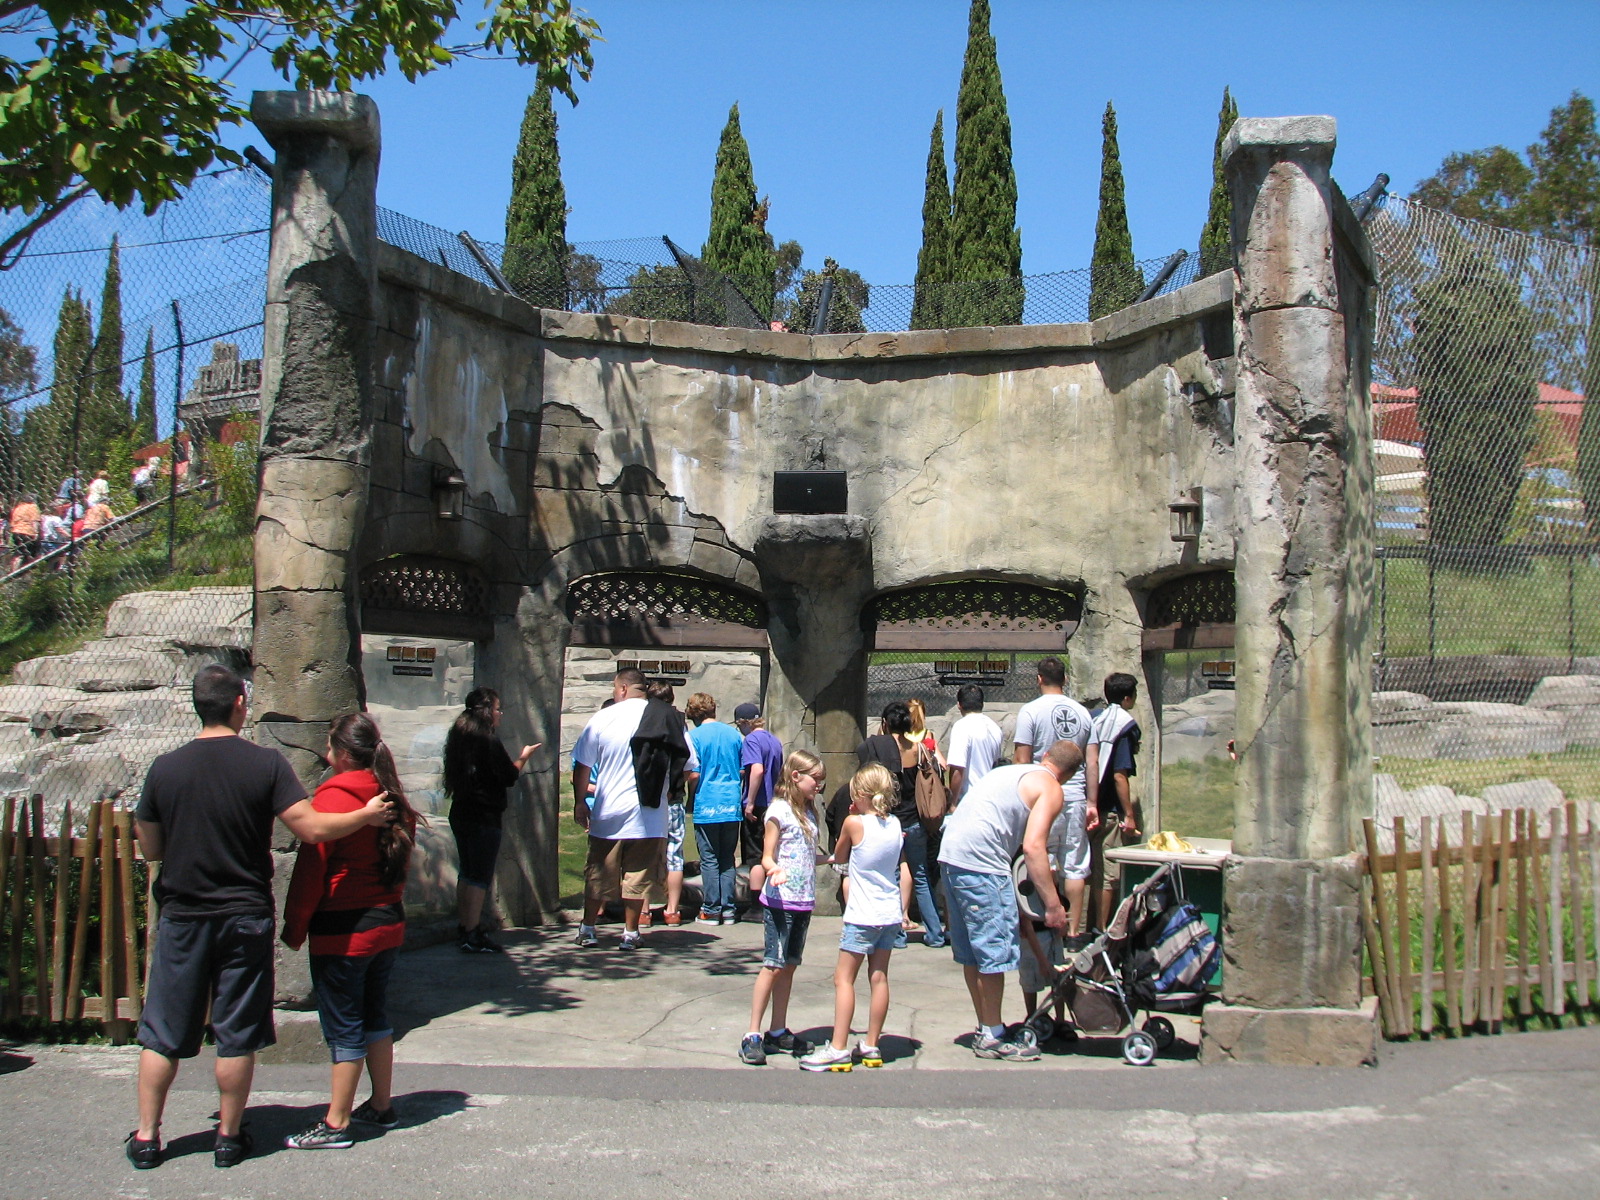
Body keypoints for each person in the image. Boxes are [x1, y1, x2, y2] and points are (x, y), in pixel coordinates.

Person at [127, 665, 393, 1170]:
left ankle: (147, 1137)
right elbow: (311, 828)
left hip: (184, 914)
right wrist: (365, 815)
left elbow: (152, 845)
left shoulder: (164, 768)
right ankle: (229, 1138)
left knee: (162, 1030)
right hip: (244, 914)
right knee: (235, 1031)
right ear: (240, 705)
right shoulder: (266, 764)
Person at [280, 713, 422, 1150]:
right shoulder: (389, 795)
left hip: (344, 929)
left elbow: (312, 868)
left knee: (344, 1026)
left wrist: (295, 926)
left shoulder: (335, 799)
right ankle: (381, 1104)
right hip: (387, 922)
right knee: (375, 1015)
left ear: (342, 752)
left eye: (328, 744)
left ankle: (336, 1122)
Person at [936, 741, 1082, 1062]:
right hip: (982, 862)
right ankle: (993, 1034)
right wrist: (1054, 906)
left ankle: (987, 1026)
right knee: (994, 951)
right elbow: (1033, 848)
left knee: (973, 953)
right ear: (1069, 775)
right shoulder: (1052, 788)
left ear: (1046, 757)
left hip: (951, 855)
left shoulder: (1013, 771)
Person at [571, 669, 695, 950]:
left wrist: (580, 802)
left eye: (615, 689)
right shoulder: (667, 716)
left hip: (608, 811)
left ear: (624, 689)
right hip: (650, 813)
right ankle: (630, 933)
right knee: (638, 877)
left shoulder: (604, 717)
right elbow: (689, 764)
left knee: (599, 872)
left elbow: (583, 765)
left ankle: (588, 927)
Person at [800, 763, 903, 1072]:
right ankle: (871, 1044)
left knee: (843, 978)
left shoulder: (854, 823)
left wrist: (851, 816)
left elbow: (840, 856)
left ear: (859, 794)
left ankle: (838, 1047)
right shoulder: (896, 825)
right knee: (879, 976)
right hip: (889, 911)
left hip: (862, 913)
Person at [739, 749, 825, 1066]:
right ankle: (752, 1033)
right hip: (781, 900)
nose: (819, 785)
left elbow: (805, 855)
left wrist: (835, 859)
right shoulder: (779, 811)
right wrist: (774, 870)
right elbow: (767, 855)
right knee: (773, 964)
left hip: (803, 900)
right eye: (815, 779)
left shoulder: (808, 811)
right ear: (795, 776)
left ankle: (778, 1029)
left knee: (789, 965)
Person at [442, 688, 539, 954]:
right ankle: (471, 933)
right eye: (497, 709)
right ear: (487, 712)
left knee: (467, 871)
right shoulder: (487, 740)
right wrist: (524, 757)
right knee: (479, 877)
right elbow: (508, 776)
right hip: (484, 816)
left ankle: (465, 926)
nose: (500, 713)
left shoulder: (459, 736)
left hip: (461, 812)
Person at [1013, 656, 1099, 949]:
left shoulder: (1031, 711)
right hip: (1075, 794)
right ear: (1066, 679)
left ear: (1039, 678)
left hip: (1042, 795)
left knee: (1042, 857)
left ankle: (1044, 922)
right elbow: (1092, 761)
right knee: (1075, 862)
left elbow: (1022, 758)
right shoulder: (1083, 713)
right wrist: (1092, 801)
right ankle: (1074, 931)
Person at [879, 701, 945, 950]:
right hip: (916, 819)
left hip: (892, 821)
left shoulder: (886, 750)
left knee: (894, 876)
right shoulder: (918, 749)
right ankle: (935, 932)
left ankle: (897, 935)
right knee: (921, 876)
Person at [1089, 672, 1144, 930]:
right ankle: (1103, 929)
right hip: (1108, 807)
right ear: (1127, 698)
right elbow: (1120, 775)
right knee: (1108, 873)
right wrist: (1129, 815)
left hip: (1085, 803)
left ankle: (1077, 928)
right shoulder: (1125, 725)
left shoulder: (1094, 717)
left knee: (1082, 868)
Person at [686, 692, 743, 925]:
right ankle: (729, 908)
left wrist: (690, 796)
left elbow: (694, 772)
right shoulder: (734, 735)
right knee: (727, 857)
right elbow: (742, 769)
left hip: (707, 800)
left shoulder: (693, 736)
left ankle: (711, 908)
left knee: (709, 858)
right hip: (731, 800)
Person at [643, 680, 693, 927]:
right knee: (674, 854)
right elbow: (691, 764)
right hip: (672, 798)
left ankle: (641, 911)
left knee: (643, 853)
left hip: (645, 797)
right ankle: (672, 910)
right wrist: (675, 785)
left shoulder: (643, 718)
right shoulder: (678, 722)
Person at [734, 701, 784, 890]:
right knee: (770, 852)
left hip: (758, 804)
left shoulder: (752, 740)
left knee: (755, 856)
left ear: (744, 722)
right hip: (774, 802)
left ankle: (755, 904)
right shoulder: (774, 740)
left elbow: (757, 770)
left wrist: (749, 803)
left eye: (739, 725)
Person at [946, 684, 1004, 804]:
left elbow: (957, 769)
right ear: (982, 704)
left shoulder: (962, 726)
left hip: (970, 799)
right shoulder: (995, 727)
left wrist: (952, 803)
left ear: (959, 705)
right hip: (991, 798)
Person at [8, 494, 39, 567]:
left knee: (18, 552)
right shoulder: (33, 507)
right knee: (27, 553)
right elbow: (34, 521)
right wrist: (36, 532)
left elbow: (12, 522)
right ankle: (22, 571)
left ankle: (13, 570)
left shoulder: (18, 507)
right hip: (27, 532)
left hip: (16, 531)